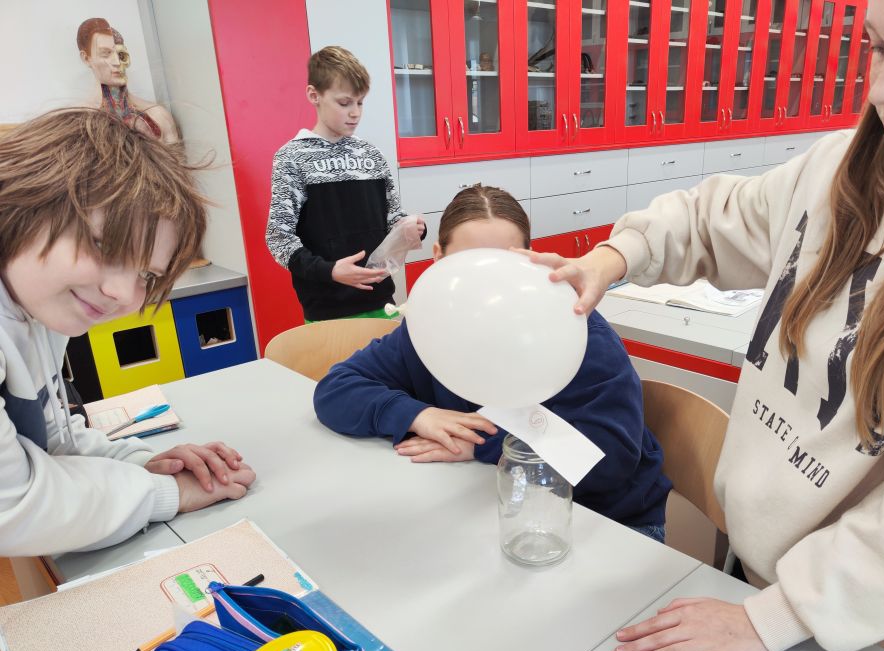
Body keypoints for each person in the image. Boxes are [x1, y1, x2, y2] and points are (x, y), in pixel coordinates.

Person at [531, 0, 884, 651]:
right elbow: (713, 219)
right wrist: (613, 259)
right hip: (750, 572)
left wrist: (777, 618)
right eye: (876, 46)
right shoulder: (835, 168)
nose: (882, 89)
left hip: (854, 625)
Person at [313, 185, 671, 540]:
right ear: (438, 257)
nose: (487, 281)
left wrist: (482, 444)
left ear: (531, 259)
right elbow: (336, 389)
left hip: (606, 519)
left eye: (503, 263)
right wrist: (419, 415)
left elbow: (611, 458)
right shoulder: (429, 327)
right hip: (491, 504)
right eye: (467, 263)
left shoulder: (579, 333)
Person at [0, 109, 256, 557]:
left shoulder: (37, 307)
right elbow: (11, 506)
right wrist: (167, 493)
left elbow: (50, 440)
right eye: (103, 245)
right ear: (22, 204)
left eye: (145, 273)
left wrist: (141, 464)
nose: (121, 293)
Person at [266, 46, 425, 322]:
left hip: (381, 301)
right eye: (344, 103)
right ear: (314, 95)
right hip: (327, 310)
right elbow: (278, 238)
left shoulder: (371, 155)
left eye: (360, 103)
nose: (355, 113)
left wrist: (412, 229)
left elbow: (393, 219)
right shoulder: (292, 157)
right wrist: (329, 271)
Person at [77, 18, 180, 143]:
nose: (117, 62)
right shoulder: (79, 124)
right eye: (106, 54)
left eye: (121, 55)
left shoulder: (158, 115)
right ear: (86, 59)